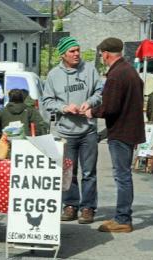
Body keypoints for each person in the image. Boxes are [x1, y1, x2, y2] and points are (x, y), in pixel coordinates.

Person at [85, 37, 145, 233]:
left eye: (101, 54)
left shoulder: (116, 74)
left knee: (122, 176)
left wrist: (90, 111)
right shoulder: (129, 71)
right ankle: (122, 216)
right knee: (124, 175)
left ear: (106, 54)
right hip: (128, 130)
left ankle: (122, 219)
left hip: (121, 132)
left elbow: (110, 107)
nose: (102, 57)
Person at [42, 36, 102, 224]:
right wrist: (64, 108)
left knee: (89, 173)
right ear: (63, 55)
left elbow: (99, 92)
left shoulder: (90, 69)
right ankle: (70, 205)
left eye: (78, 50)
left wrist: (89, 102)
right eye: (72, 51)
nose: (77, 54)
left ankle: (88, 208)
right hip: (65, 132)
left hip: (88, 131)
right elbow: (47, 101)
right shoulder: (53, 75)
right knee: (68, 172)